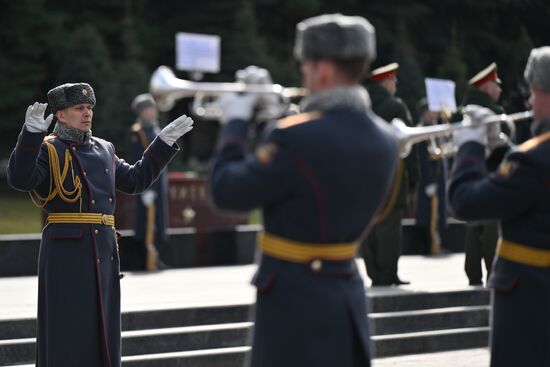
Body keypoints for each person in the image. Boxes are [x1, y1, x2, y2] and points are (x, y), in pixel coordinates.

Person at [209, 14, 399, 367]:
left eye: (306, 69)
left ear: (323, 71)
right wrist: (273, 123)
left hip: (292, 305)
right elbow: (305, 177)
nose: (305, 78)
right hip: (346, 298)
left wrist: (234, 123)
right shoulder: (385, 140)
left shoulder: (294, 138)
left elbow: (226, 191)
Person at [6, 83, 193, 367]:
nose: (87, 114)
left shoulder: (104, 148)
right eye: (78, 109)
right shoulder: (50, 149)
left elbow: (135, 181)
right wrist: (30, 135)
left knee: (102, 329)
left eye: (90, 108)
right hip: (66, 252)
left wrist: (161, 145)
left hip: (103, 252)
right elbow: (21, 179)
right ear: (60, 115)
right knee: (68, 329)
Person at [448, 46, 550, 367]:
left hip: (531, 299)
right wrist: (502, 150)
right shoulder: (530, 159)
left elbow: (464, 202)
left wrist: (470, 146)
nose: (531, 102)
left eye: (535, 91)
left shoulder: (533, 161)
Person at [361, 62, 418, 285]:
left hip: (362, 176)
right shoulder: (395, 105)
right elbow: (409, 144)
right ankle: (387, 274)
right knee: (389, 226)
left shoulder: (360, 106)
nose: (395, 85)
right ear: (386, 83)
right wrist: (414, 177)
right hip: (392, 174)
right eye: (394, 81)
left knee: (369, 226)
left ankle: (374, 274)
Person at [460, 63, 505, 285]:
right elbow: (501, 150)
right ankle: (492, 272)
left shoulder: (464, 112)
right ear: (487, 87)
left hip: (468, 175)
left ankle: (473, 273)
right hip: (490, 178)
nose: (500, 90)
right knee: (490, 229)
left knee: (472, 226)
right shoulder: (494, 113)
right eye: (496, 86)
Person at [128, 93, 169, 271]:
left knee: (158, 222)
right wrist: (145, 189)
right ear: (142, 111)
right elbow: (137, 159)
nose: (153, 111)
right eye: (149, 108)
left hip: (158, 183)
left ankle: (155, 257)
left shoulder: (155, 128)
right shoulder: (137, 132)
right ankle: (146, 260)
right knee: (146, 223)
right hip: (147, 184)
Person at [414, 98, 448, 254]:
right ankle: (426, 246)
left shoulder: (436, 128)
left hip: (439, 178)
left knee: (438, 214)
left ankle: (437, 244)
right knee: (426, 215)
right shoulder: (422, 130)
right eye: (431, 110)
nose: (434, 113)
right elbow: (422, 158)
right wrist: (428, 181)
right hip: (428, 179)